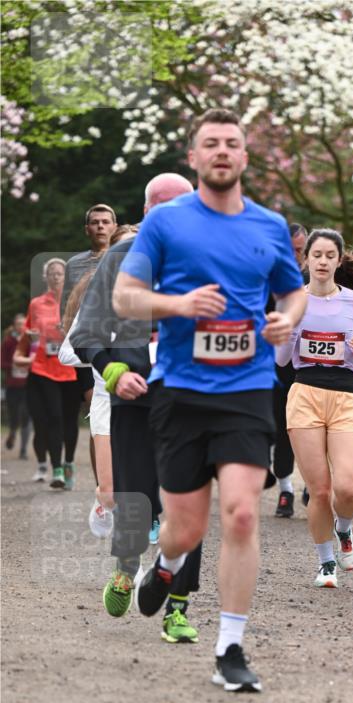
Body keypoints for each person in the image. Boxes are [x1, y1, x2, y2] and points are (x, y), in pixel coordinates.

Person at [112, 109, 306, 691]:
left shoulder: (269, 226)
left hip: (247, 389)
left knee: (243, 513)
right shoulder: (166, 224)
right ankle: (166, 565)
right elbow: (125, 297)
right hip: (182, 392)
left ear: (245, 157)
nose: (221, 152)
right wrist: (178, 306)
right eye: (209, 144)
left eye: (232, 143)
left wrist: (285, 321)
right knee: (185, 528)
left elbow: (292, 291)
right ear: (194, 158)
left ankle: (230, 646)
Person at [71, 175, 203, 644]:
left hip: (191, 397)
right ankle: (127, 566)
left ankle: (179, 608)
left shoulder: (210, 257)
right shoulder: (122, 259)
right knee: (136, 501)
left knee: (189, 505)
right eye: (163, 210)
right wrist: (113, 373)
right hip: (134, 395)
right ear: (147, 214)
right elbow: (85, 334)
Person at [276, 229, 353, 587]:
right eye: (317, 255)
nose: (322, 262)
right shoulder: (292, 301)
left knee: (349, 489)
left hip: (345, 396)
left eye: (329, 255)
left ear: (339, 260)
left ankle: (344, 528)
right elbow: (280, 360)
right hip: (305, 393)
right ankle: (326, 563)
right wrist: (292, 331)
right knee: (319, 491)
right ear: (305, 259)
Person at [61, 203, 117, 491]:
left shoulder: (129, 256)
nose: (100, 226)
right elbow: (67, 311)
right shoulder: (76, 265)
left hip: (122, 343)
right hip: (89, 348)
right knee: (99, 414)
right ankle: (102, 484)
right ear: (87, 229)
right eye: (95, 222)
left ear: (114, 226)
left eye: (105, 221)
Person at [15, 258, 81, 488]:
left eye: (59, 273)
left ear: (66, 276)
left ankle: (69, 462)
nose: (55, 277)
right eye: (51, 273)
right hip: (44, 367)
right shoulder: (36, 304)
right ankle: (57, 470)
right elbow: (27, 333)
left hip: (71, 369)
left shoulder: (75, 301)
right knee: (53, 418)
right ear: (46, 277)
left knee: (69, 420)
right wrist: (30, 338)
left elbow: (87, 329)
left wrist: (68, 330)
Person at [272, 222, 308, 518]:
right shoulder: (267, 277)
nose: (298, 256)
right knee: (281, 429)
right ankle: (286, 489)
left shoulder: (316, 275)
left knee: (313, 427)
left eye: (302, 250)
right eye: (293, 249)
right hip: (275, 365)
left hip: (310, 364)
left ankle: (313, 482)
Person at [1, 313, 31, 459]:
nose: (21, 327)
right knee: (14, 417)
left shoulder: (30, 341)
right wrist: (12, 365)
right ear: (14, 326)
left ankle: (23, 449)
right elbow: (2, 363)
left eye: (24, 324)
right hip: (12, 386)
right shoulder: (8, 342)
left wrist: (29, 365)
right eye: (19, 324)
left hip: (28, 386)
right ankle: (13, 431)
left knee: (26, 415)